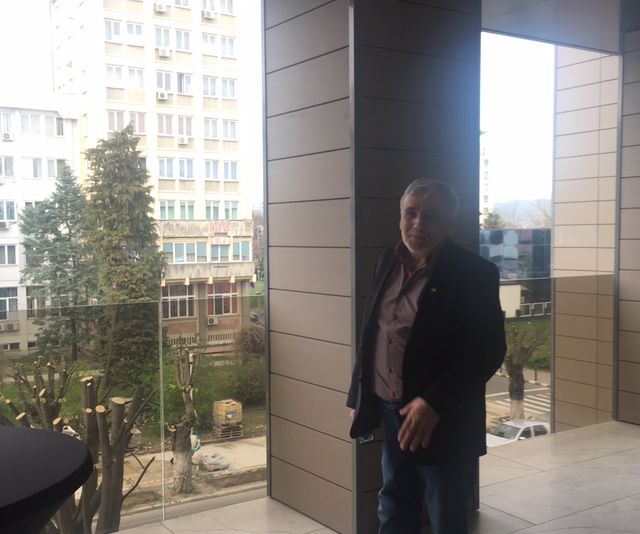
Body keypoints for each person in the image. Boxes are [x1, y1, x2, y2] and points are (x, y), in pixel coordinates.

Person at [347, 178, 506, 534]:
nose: (419, 223)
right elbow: (374, 332)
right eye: (411, 213)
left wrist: (434, 402)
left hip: (444, 421)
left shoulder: (475, 273)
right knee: (393, 505)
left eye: (431, 216)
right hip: (392, 413)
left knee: (445, 516)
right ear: (400, 217)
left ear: (450, 222)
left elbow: (488, 350)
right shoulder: (387, 260)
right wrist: (359, 392)